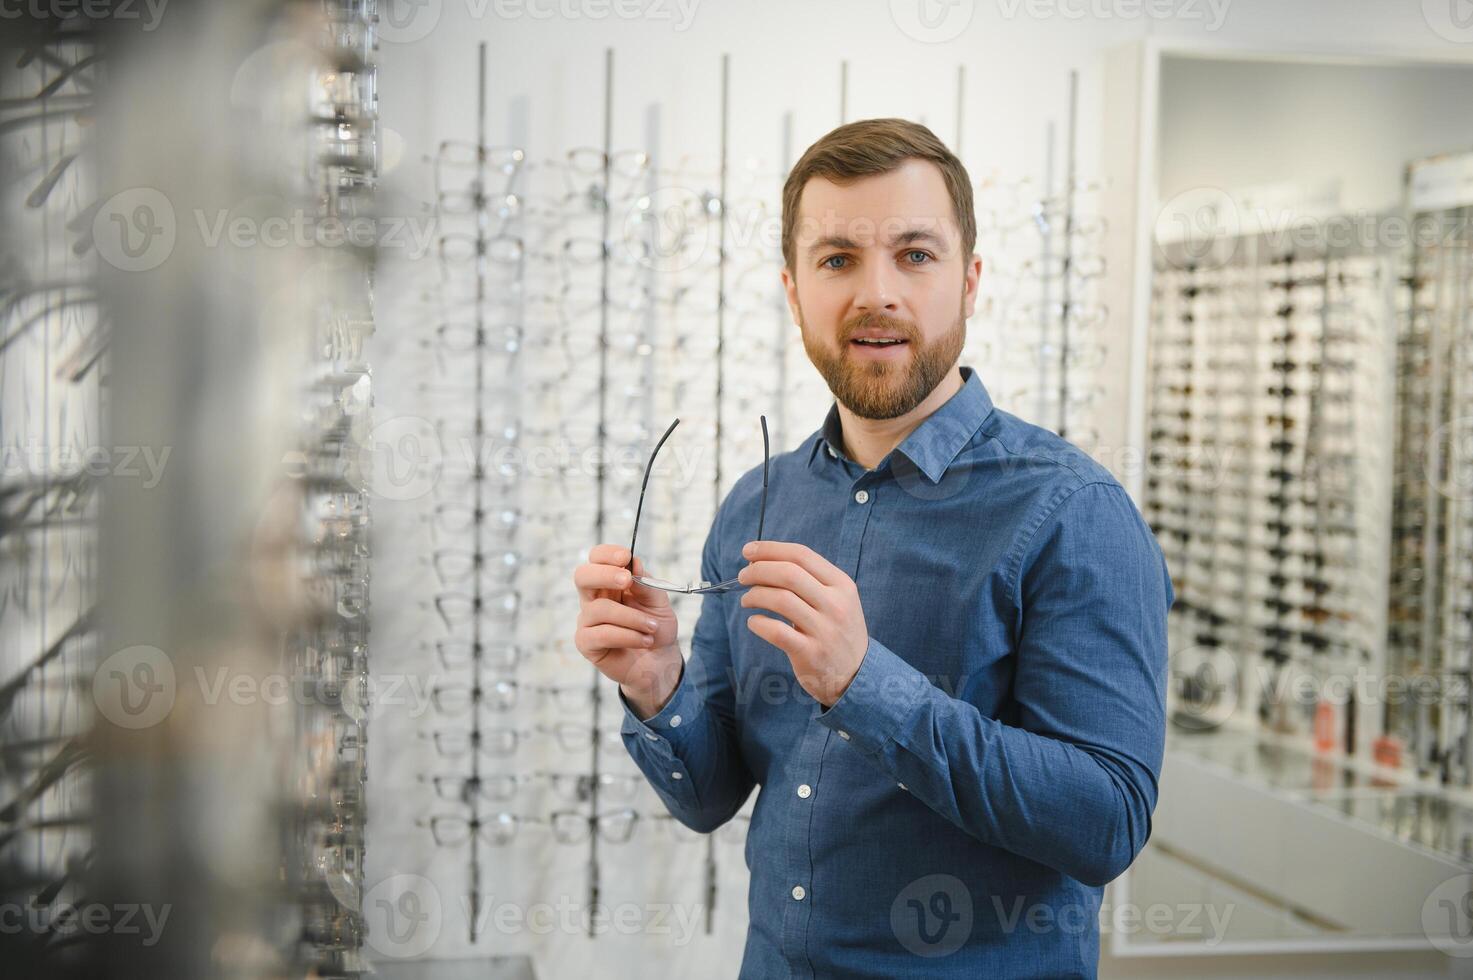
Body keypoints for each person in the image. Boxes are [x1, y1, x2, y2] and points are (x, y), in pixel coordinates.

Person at [570, 117, 1173, 978]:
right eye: (836, 259)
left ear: (969, 283)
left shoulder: (1074, 513)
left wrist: (866, 685)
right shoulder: (755, 505)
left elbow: (1107, 822)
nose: (876, 294)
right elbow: (708, 797)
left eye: (915, 256)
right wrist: (655, 684)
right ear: (792, 291)